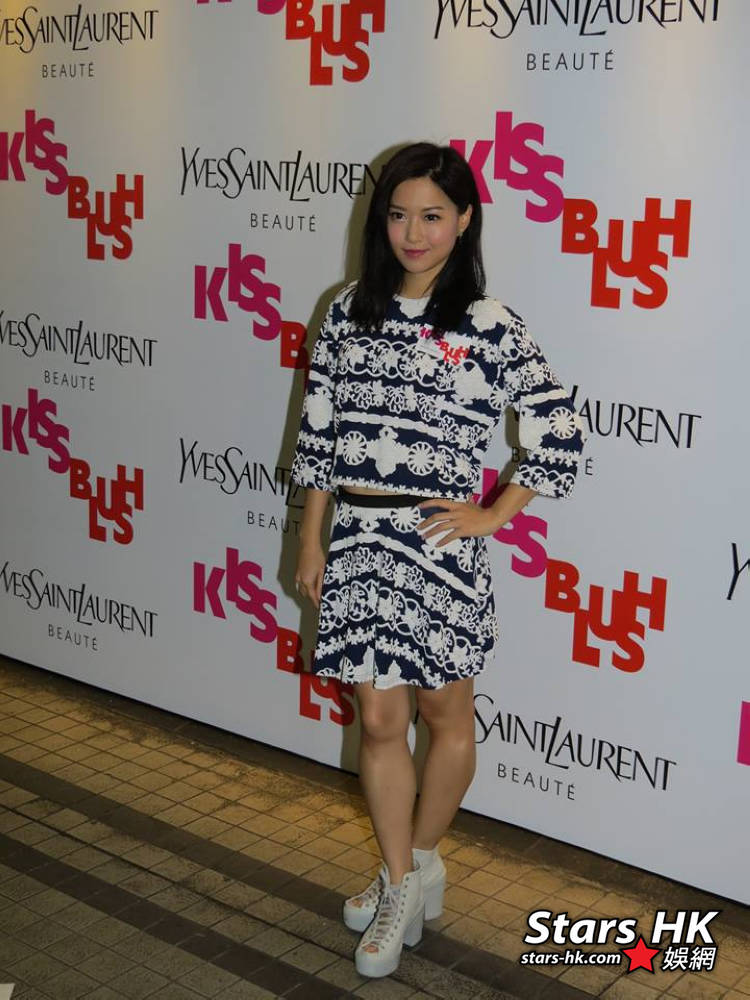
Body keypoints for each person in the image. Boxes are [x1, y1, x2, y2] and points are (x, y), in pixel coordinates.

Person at [289, 142, 585, 978]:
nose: (413, 233)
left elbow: (559, 428)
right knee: (379, 722)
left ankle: (413, 867)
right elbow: (320, 432)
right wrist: (311, 536)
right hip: (358, 539)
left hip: (437, 548)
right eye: (398, 215)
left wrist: (493, 512)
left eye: (432, 215)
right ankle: (400, 881)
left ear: (464, 221)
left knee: (445, 715)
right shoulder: (347, 310)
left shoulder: (488, 324)